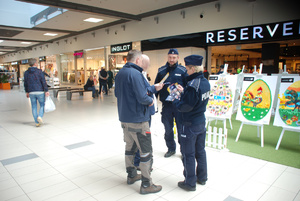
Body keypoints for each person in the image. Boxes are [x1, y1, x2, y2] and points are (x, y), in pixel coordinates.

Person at [115, 50, 162, 195]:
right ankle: (147, 184)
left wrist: (151, 89)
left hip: (125, 119)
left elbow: (118, 94)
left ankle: (131, 175)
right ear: (137, 60)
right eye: (142, 61)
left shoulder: (120, 74)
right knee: (145, 151)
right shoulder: (135, 74)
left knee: (130, 148)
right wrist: (150, 101)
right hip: (138, 120)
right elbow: (142, 97)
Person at [172, 55, 210, 191]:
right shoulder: (205, 82)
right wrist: (185, 92)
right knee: (200, 151)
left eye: (187, 69)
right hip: (200, 122)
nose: (186, 71)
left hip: (189, 124)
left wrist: (176, 99)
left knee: (188, 154)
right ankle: (202, 177)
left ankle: (190, 182)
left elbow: (185, 107)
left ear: (193, 68)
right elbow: (196, 99)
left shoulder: (193, 86)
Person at [154, 48, 188, 158]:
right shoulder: (161, 71)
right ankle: (171, 148)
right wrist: (153, 102)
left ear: (178, 58)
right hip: (167, 106)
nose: (171, 59)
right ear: (167, 57)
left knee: (180, 129)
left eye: (174, 57)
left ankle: (183, 151)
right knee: (168, 129)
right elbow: (156, 87)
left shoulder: (183, 71)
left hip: (179, 106)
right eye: (170, 57)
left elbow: (188, 88)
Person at [134, 54, 163, 169]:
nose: (148, 66)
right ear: (140, 62)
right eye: (147, 64)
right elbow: (143, 93)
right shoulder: (138, 75)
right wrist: (153, 88)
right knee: (142, 138)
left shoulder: (143, 74)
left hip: (147, 112)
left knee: (143, 138)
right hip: (143, 112)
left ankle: (140, 161)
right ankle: (139, 162)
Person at [24, 58, 50, 127]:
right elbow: (43, 81)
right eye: (37, 62)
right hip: (40, 91)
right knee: (42, 105)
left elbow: (25, 83)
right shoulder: (39, 71)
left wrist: (27, 91)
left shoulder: (26, 73)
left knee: (34, 107)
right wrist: (46, 90)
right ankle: (40, 116)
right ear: (35, 64)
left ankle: (37, 122)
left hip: (31, 92)